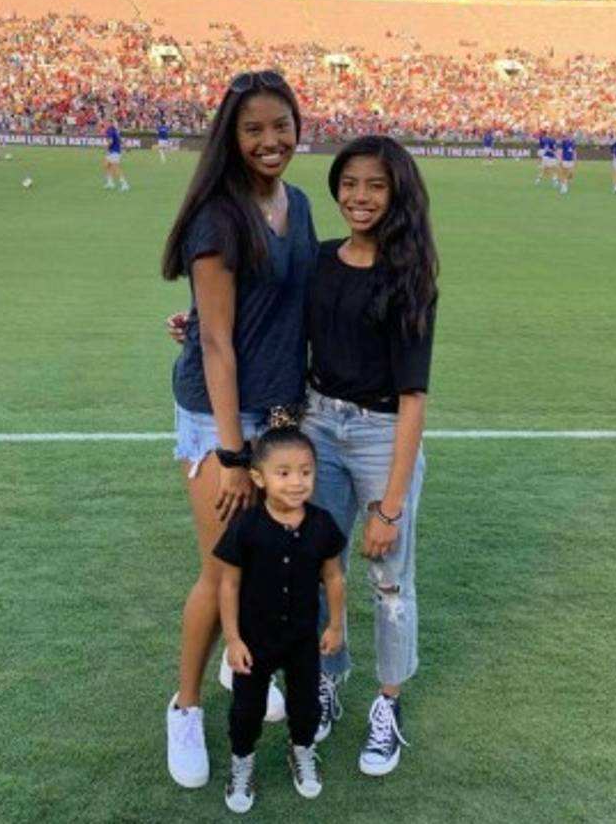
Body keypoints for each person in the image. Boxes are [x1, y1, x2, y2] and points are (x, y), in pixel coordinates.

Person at [160, 70, 319, 790]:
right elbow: (219, 344)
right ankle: (185, 706)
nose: (269, 141)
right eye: (252, 129)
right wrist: (230, 453)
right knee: (224, 569)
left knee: (263, 567)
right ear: (232, 134)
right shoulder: (219, 218)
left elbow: (291, 301)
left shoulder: (303, 204)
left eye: (279, 125)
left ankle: (240, 660)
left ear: (297, 124)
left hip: (282, 413)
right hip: (223, 416)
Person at [303, 135, 439, 777]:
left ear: (397, 195)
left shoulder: (411, 278)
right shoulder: (321, 259)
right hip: (318, 425)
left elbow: (414, 399)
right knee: (318, 565)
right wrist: (198, 329)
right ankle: (330, 677)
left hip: (383, 433)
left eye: (375, 186)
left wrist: (389, 505)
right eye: (350, 183)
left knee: (390, 582)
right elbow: (274, 324)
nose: (359, 197)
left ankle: (387, 705)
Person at [215, 427, 346, 813]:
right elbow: (229, 585)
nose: (296, 482)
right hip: (254, 640)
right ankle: (242, 761)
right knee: (246, 708)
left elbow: (335, 577)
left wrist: (335, 625)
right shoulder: (247, 526)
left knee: (306, 704)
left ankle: (302, 750)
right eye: (284, 472)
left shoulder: (322, 525)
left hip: (303, 638)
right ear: (259, 478)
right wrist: (233, 639)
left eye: (306, 472)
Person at [104, 120, 130, 191]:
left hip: (114, 151)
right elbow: (120, 139)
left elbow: (111, 141)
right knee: (107, 164)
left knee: (115, 168)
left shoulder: (110, 130)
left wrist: (106, 148)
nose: (106, 124)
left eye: (107, 123)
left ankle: (124, 184)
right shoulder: (115, 130)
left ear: (110, 123)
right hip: (115, 151)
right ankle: (110, 183)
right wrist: (126, 146)